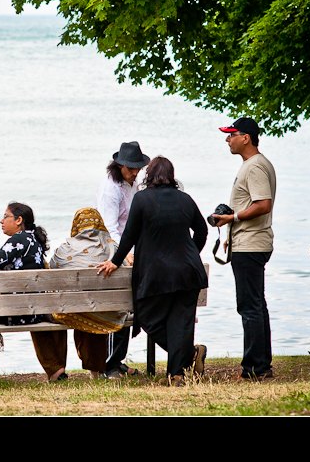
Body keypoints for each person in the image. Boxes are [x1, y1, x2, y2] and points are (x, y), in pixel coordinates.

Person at [97, 156, 209, 386]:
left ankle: (179, 370)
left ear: (149, 175)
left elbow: (128, 236)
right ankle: (182, 364)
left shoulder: (142, 199)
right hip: (188, 273)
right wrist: (190, 254)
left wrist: (115, 261)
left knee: (147, 317)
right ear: (171, 175)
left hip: (156, 275)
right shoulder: (185, 199)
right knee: (181, 323)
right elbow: (202, 231)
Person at [210, 117, 277, 380]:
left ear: (245, 137)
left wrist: (233, 218)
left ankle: (255, 367)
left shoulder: (255, 167)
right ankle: (261, 364)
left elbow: (263, 204)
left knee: (249, 307)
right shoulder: (255, 164)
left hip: (250, 244)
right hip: (249, 241)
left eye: (231, 134)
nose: (227, 139)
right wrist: (230, 226)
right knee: (257, 305)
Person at [0, 202, 61, 380]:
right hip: (33, 311)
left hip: (15, 313)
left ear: (19, 220)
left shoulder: (19, 239)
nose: (1, 221)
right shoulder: (34, 240)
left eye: (6, 217)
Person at [41, 208, 130, 378]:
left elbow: (51, 271)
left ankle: (56, 369)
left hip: (71, 310)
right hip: (108, 311)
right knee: (94, 310)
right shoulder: (113, 248)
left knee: (74, 308)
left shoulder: (65, 249)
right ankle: (95, 370)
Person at [96, 140, 151, 378]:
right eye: (130, 168)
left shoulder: (132, 183)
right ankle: (110, 363)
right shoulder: (112, 189)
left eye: (137, 167)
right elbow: (110, 227)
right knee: (118, 308)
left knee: (128, 307)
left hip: (130, 248)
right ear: (119, 166)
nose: (135, 172)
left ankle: (118, 359)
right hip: (116, 249)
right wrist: (125, 254)